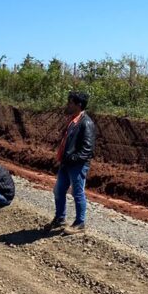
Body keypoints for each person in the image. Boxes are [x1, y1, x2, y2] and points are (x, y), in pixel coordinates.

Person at [44, 90, 97, 234]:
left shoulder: (86, 123)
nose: (67, 104)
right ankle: (60, 219)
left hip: (77, 165)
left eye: (70, 102)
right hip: (66, 163)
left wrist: (72, 158)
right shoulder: (73, 120)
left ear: (78, 105)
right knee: (58, 190)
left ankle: (80, 223)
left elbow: (87, 149)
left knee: (77, 193)